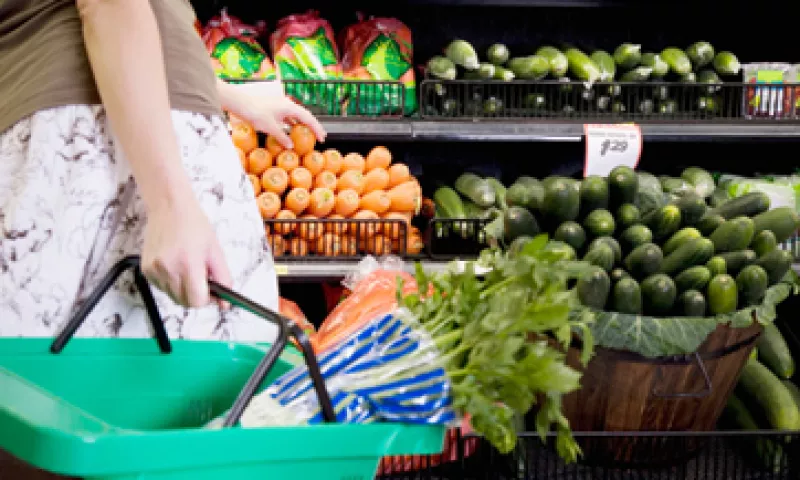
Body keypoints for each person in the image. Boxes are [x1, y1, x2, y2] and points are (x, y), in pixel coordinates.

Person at [0, 0, 325, 341]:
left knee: (45, 359)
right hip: (113, 138)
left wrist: (234, 100)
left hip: (84, 138)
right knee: (205, 357)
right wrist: (171, 203)